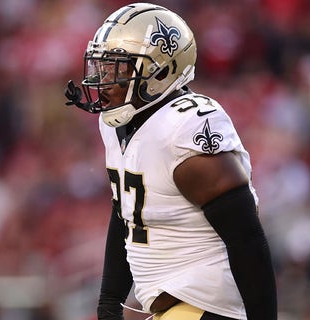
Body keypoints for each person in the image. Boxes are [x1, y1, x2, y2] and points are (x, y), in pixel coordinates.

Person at [65, 3, 277, 320]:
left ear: (160, 71)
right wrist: (110, 300)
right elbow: (126, 210)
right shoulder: (119, 123)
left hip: (211, 307)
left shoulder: (183, 126)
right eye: (102, 67)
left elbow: (245, 236)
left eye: (118, 69)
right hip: (177, 309)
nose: (104, 80)